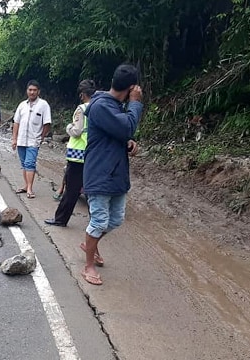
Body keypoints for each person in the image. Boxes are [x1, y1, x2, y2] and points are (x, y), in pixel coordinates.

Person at [80, 64, 144, 286]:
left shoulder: (114, 105)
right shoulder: (102, 106)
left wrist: (128, 143)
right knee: (99, 221)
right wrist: (135, 103)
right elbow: (126, 127)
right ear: (131, 87)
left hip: (116, 174)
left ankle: (91, 243)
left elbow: (118, 133)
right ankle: (88, 265)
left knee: (115, 219)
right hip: (100, 174)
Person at [44, 79, 96, 226]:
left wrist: (68, 127)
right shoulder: (100, 107)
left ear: (82, 95)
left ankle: (61, 218)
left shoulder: (82, 109)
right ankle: (97, 222)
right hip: (92, 153)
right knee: (92, 189)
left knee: (72, 189)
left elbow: (77, 131)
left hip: (78, 154)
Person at [11, 80, 51, 199]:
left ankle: (29, 188)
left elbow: (47, 123)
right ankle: (25, 185)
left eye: (34, 90)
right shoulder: (22, 105)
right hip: (21, 140)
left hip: (34, 140)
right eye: (30, 90)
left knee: (30, 163)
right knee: (24, 164)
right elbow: (16, 122)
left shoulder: (43, 105)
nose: (32, 92)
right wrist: (14, 139)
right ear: (27, 91)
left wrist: (41, 138)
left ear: (38, 91)